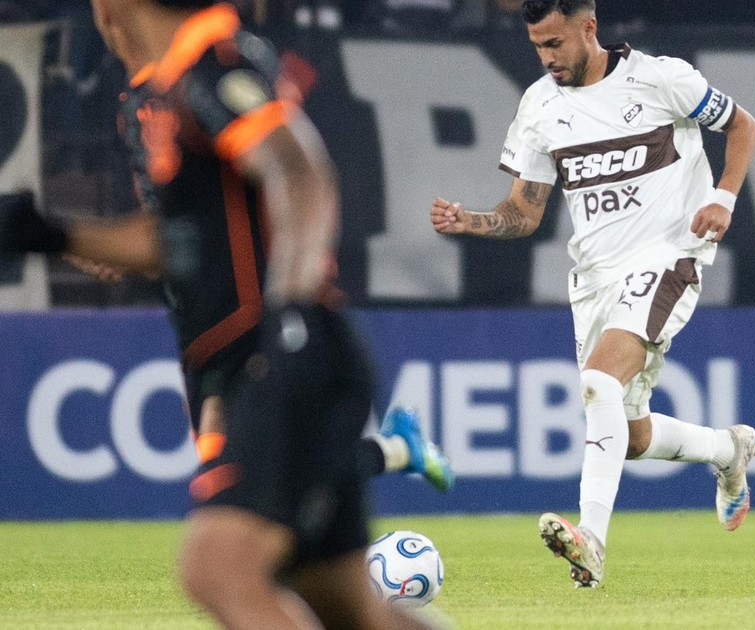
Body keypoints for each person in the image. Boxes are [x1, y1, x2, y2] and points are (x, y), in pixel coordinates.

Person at [0, 1, 439, 627]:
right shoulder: (170, 87)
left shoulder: (213, 60)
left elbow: (298, 171)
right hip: (259, 357)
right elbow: (172, 241)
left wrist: (291, 311)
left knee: (218, 567)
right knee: (346, 607)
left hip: (282, 353)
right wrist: (51, 235)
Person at [429, 0, 755, 588]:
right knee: (629, 436)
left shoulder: (661, 79)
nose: (546, 57)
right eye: (538, 46)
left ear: (589, 28)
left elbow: (743, 125)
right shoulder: (539, 105)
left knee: (599, 382)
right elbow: (524, 213)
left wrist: (724, 198)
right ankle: (726, 450)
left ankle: (592, 540)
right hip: (594, 278)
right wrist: (471, 221)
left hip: (667, 257)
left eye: (555, 43)